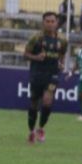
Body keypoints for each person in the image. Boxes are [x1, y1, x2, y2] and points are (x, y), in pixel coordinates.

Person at [22, 12, 67, 144]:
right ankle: (31, 131)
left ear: (57, 23)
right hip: (37, 74)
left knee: (47, 101)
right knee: (34, 104)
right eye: (47, 21)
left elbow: (62, 53)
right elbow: (25, 54)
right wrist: (36, 57)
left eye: (52, 21)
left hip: (52, 74)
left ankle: (40, 129)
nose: (50, 24)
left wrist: (61, 63)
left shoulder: (62, 40)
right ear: (43, 23)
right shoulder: (36, 38)